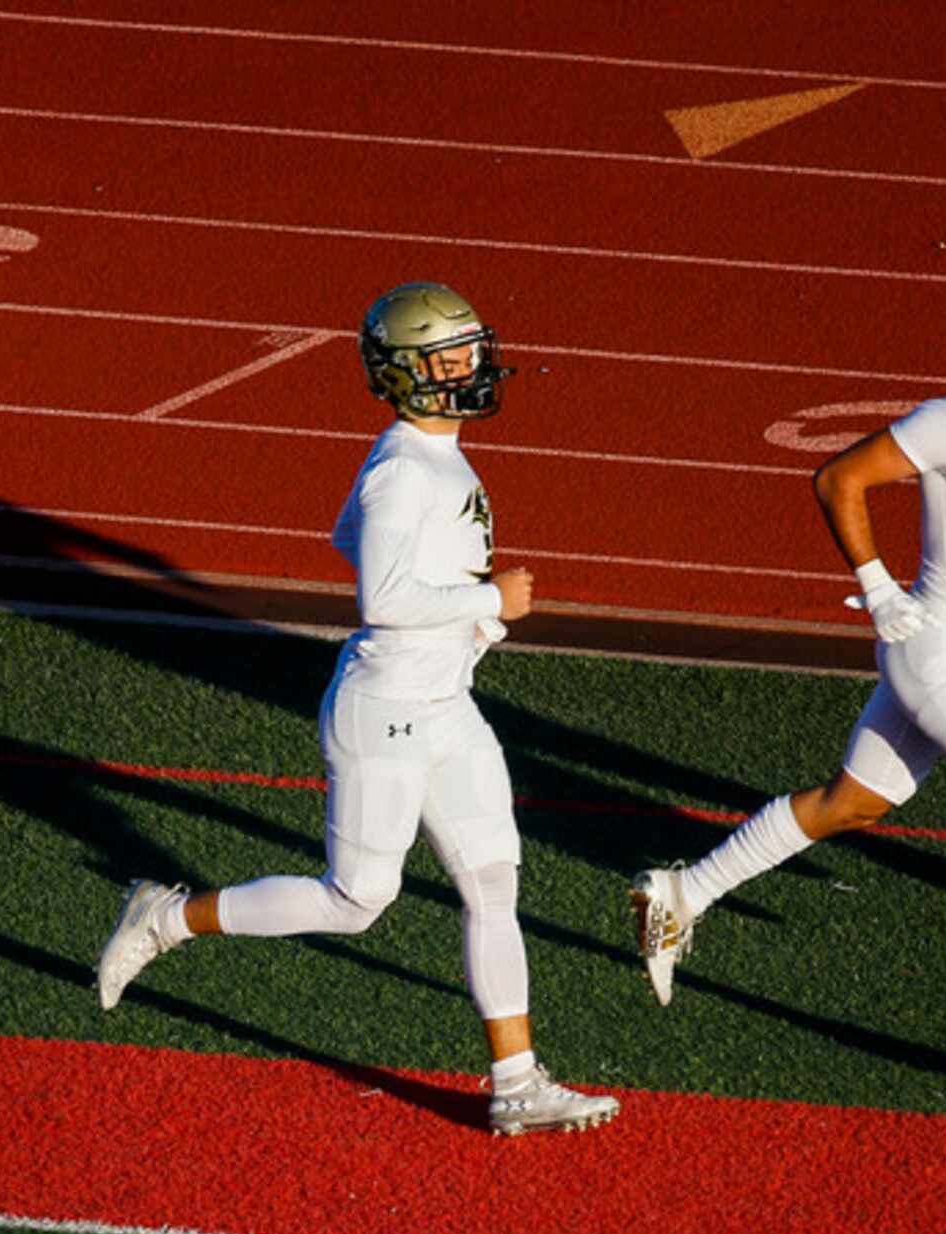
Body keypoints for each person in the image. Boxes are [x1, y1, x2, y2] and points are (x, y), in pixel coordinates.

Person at [94, 283, 619, 1137]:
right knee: (356, 901)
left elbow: (349, 538)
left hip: (447, 705)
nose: (473, 368)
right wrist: (486, 597)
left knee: (493, 884)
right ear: (406, 373)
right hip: (386, 712)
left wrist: (464, 607)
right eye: (451, 358)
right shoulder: (404, 467)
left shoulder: (424, 457)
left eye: (471, 350)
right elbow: (378, 594)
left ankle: (516, 1082)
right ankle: (166, 916)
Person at [628, 250, 946, 1083]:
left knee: (851, 803)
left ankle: (681, 894)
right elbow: (840, 477)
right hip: (934, 643)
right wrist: (875, 588)